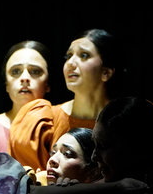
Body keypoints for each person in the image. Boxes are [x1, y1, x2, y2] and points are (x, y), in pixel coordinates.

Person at [9, 28, 125, 172]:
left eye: (84, 55)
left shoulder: (128, 118)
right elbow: (32, 181)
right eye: (69, 56)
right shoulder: (41, 120)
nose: (71, 62)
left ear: (106, 72)